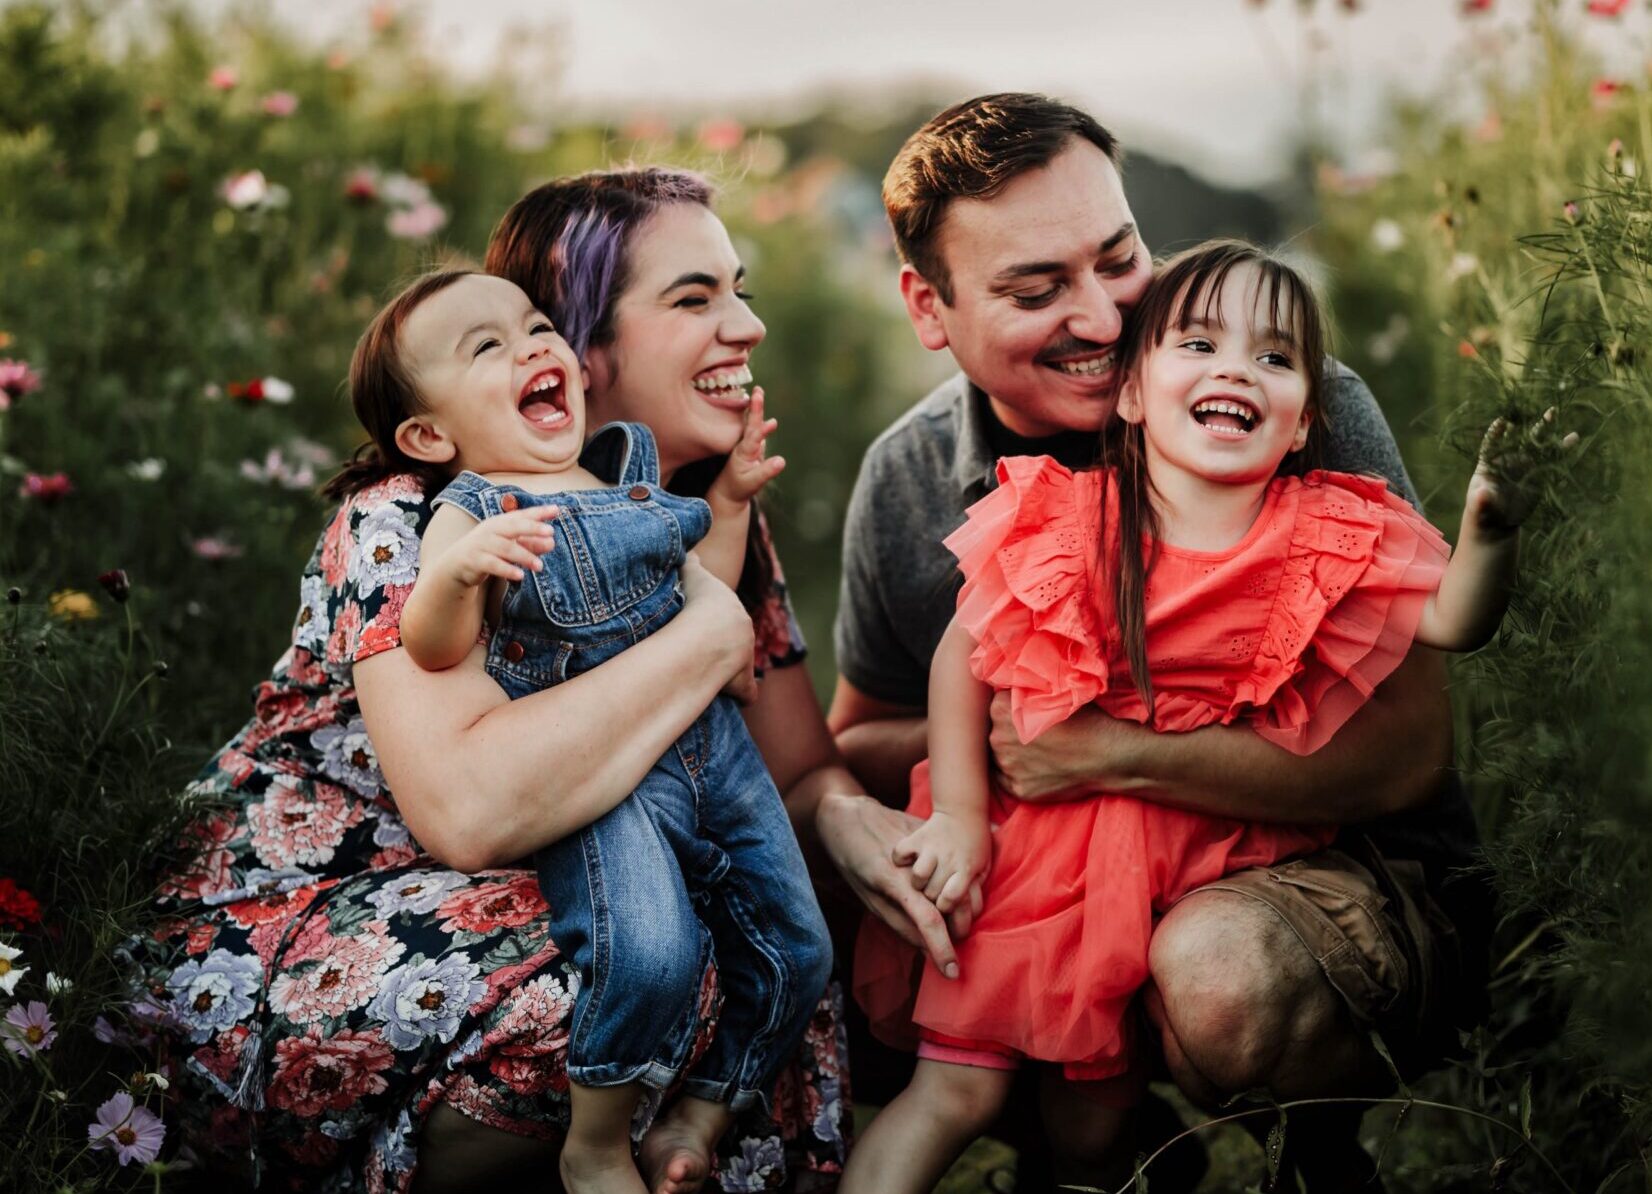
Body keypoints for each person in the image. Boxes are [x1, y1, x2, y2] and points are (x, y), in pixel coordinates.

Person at [125, 168, 858, 1194]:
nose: (747, 326)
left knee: (780, 933)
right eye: (694, 299)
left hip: (558, 863)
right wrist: (703, 638)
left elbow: (794, 768)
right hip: (324, 912)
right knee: (648, 953)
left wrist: (856, 821)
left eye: (739, 288)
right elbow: (471, 812)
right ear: (585, 337)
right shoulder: (411, 521)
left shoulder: (688, 508)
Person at [827, 93, 1496, 1192]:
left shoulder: (1287, 399)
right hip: (1051, 878)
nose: (1099, 317)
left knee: (1216, 978)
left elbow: (1407, 755)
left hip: (1321, 871)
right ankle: (1080, 1153)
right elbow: (860, 740)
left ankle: (1320, 1149)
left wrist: (1110, 752)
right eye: (1034, 290)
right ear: (927, 306)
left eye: (1117, 256)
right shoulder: (907, 481)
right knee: (797, 863)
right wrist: (969, 777)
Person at [380, 266, 832, 1194]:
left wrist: (734, 503)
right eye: (489, 347)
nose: (534, 348)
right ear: (432, 434)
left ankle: (703, 1113)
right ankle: (595, 1143)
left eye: (538, 326)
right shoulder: (470, 511)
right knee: (648, 947)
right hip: (611, 778)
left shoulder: (629, 470)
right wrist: (455, 579)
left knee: (800, 943)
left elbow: (699, 589)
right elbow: (432, 648)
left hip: (716, 751)